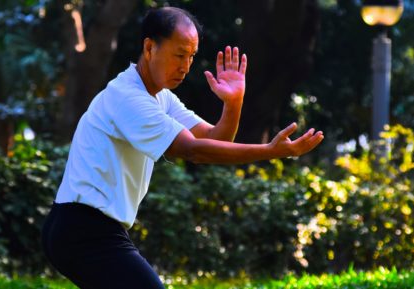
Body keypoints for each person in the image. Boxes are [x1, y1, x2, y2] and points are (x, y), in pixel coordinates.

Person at [41, 6, 324, 289]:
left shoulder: (160, 98)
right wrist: (270, 151)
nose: (186, 66)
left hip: (87, 228)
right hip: (83, 228)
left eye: (191, 56)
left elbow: (214, 138)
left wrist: (233, 103)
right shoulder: (128, 97)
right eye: (179, 55)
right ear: (150, 47)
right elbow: (194, 151)